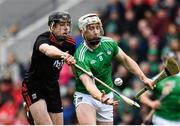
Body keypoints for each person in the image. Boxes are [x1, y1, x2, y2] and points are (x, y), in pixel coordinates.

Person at [73, 13, 154, 125]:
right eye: (91, 28)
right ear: (82, 31)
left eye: (97, 28)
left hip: (107, 95)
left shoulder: (109, 43)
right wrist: (99, 97)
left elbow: (126, 60)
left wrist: (143, 78)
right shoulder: (81, 56)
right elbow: (89, 85)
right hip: (87, 97)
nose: (96, 31)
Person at [21, 11, 76, 125]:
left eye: (67, 24)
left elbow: (75, 65)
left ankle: (33, 113)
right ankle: (32, 110)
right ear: (52, 26)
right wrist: (63, 54)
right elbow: (47, 50)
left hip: (53, 86)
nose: (66, 28)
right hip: (34, 85)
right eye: (61, 25)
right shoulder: (43, 38)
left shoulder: (70, 43)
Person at [140, 53, 180, 125]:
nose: (168, 64)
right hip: (161, 118)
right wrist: (152, 104)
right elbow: (142, 97)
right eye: (165, 61)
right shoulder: (157, 79)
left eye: (172, 61)